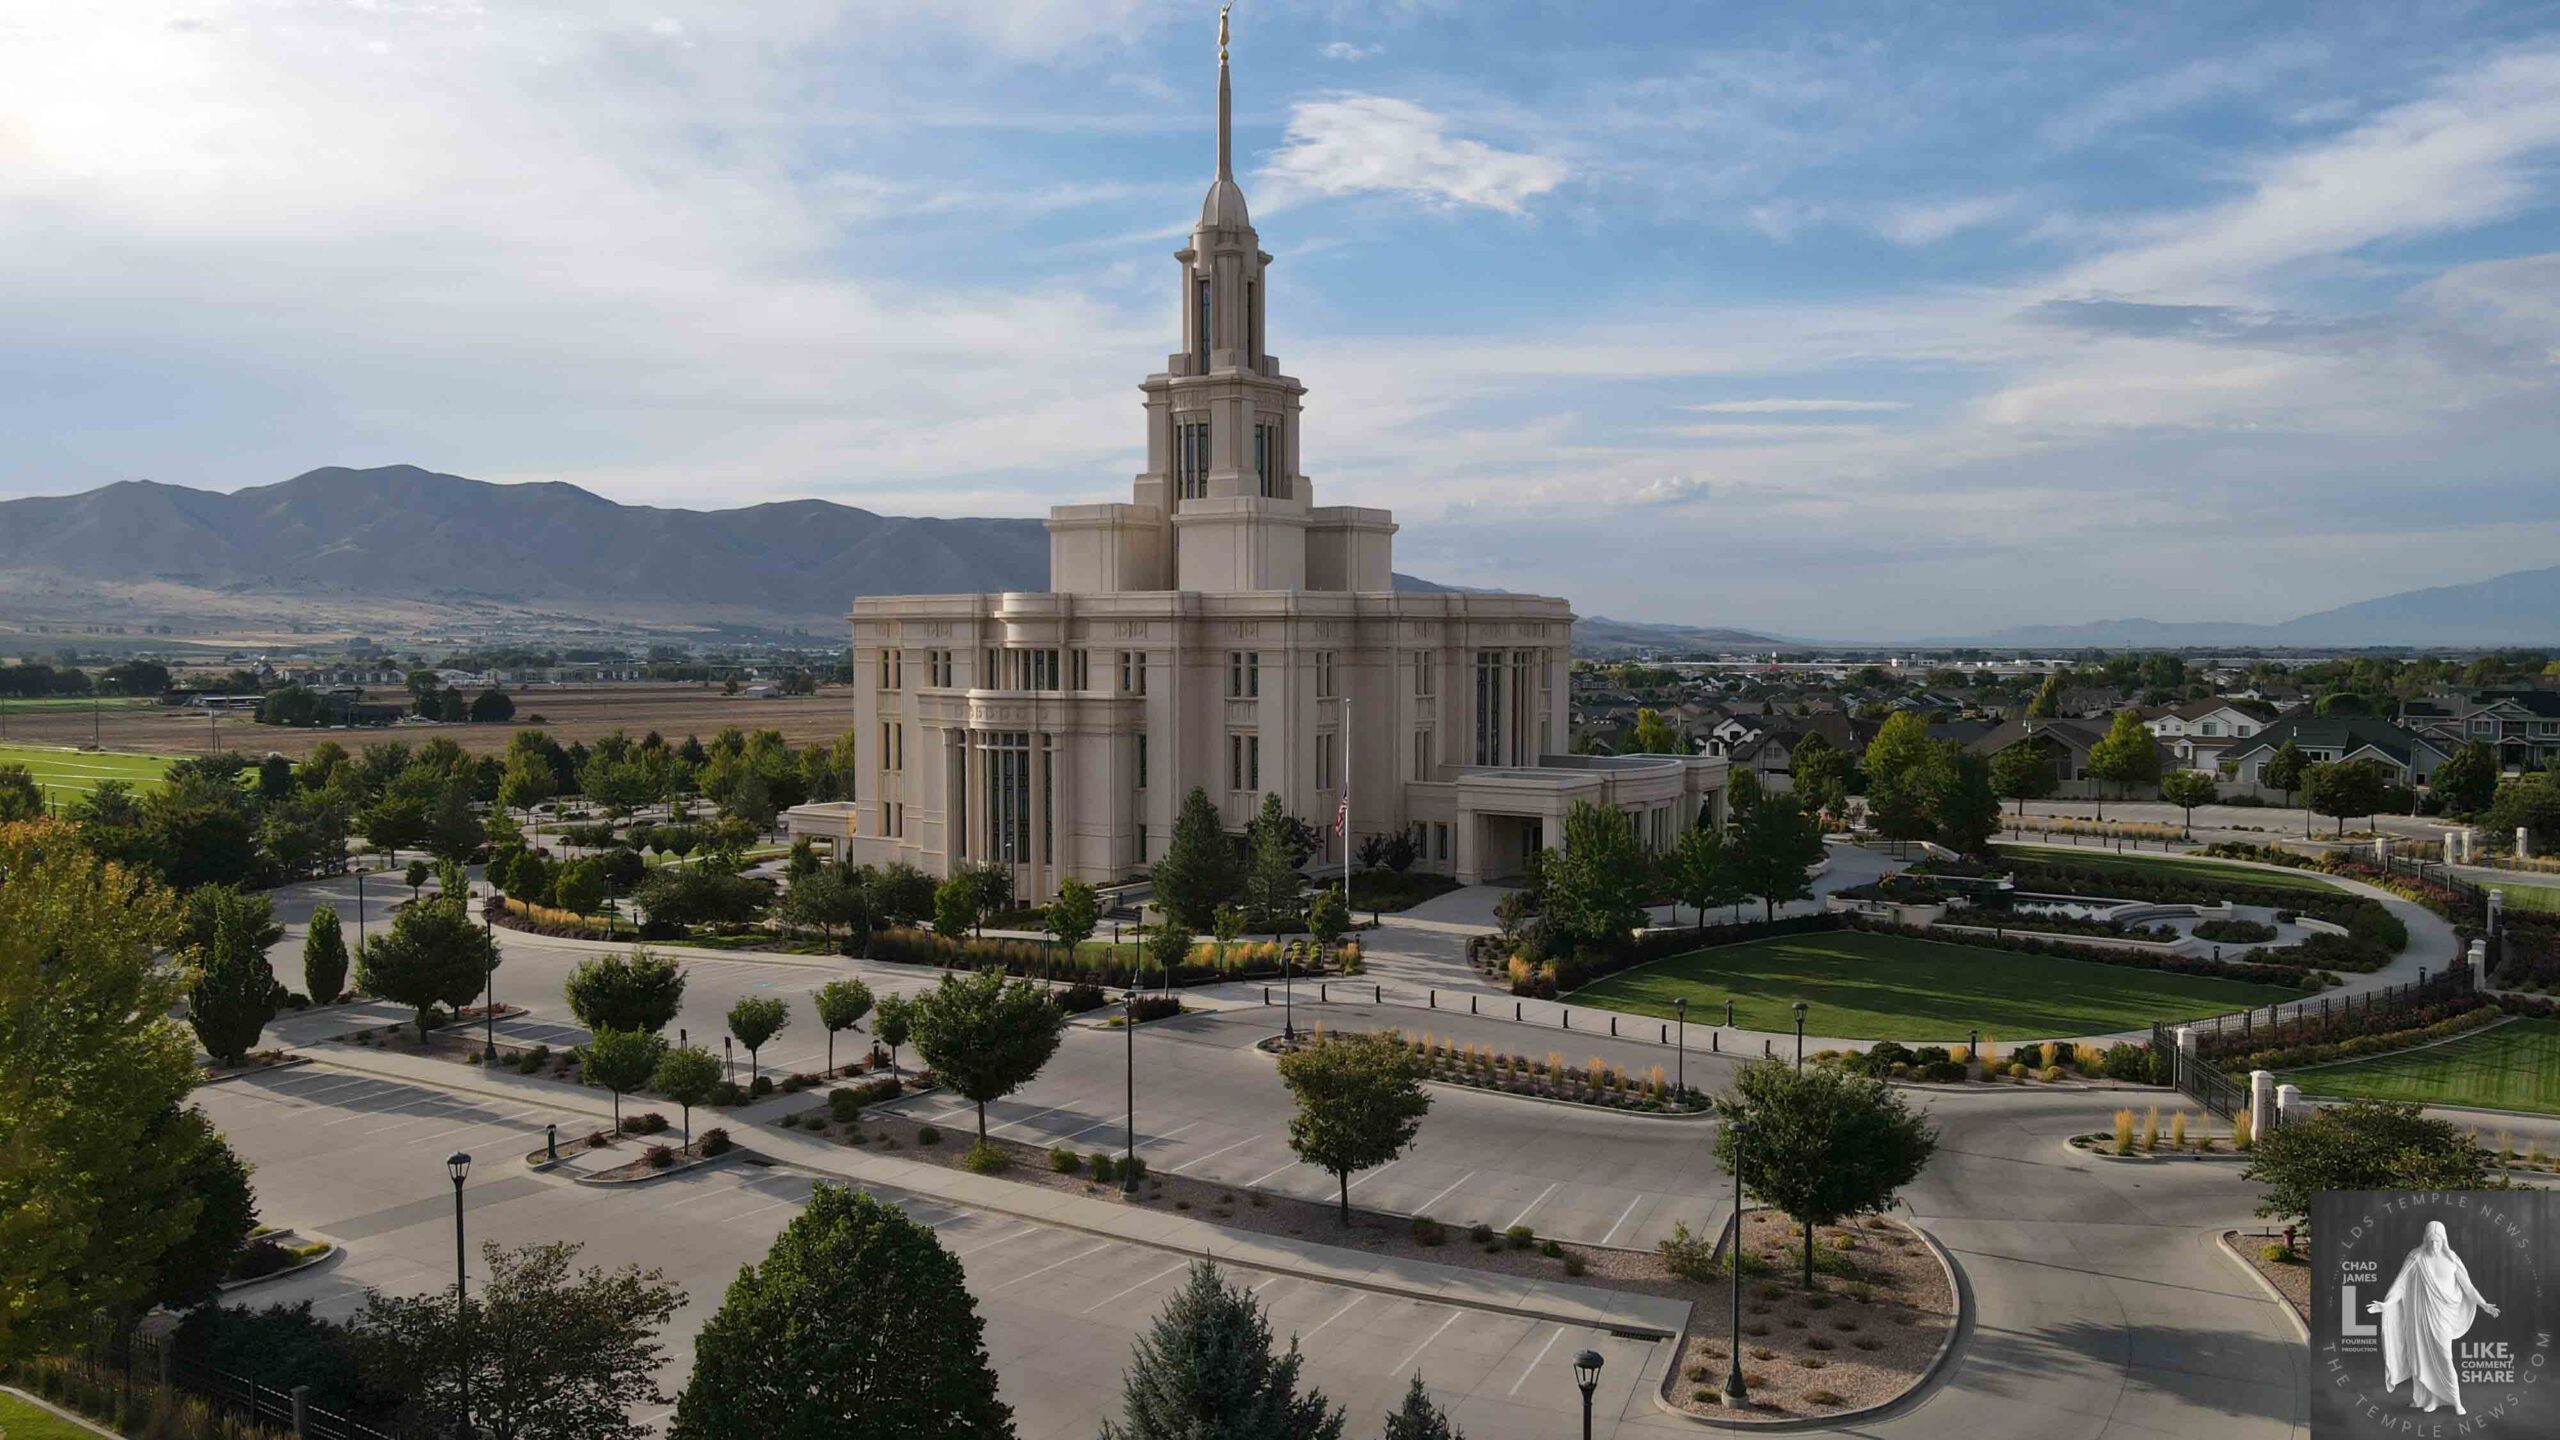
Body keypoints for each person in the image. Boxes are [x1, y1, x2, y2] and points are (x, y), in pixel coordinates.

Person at [2367, 1220, 2500, 1415]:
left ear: (2444, 1241)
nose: (2433, 1246)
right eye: (2430, 1241)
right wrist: (2386, 1305)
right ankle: (2430, 1399)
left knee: (2445, 1357)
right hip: (2420, 1318)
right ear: (2425, 1240)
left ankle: (2456, 1401)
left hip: (2443, 1317)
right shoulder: (2416, 1258)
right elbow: (2400, 1285)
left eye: (2437, 1241)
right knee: (2422, 1357)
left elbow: (2468, 1287)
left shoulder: (2452, 1260)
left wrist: (2484, 1304)